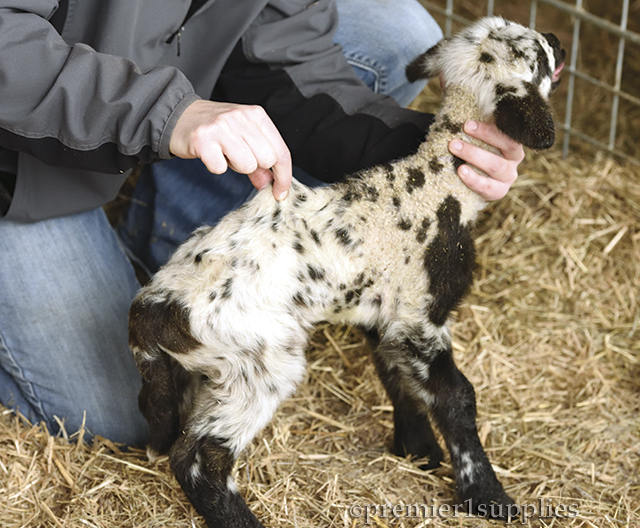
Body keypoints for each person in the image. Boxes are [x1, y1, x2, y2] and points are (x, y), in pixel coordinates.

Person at [0, 0, 524, 446]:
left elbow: (289, 59)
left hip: (129, 84)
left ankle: (165, 230)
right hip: (15, 165)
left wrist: (437, 155)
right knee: (121, 414)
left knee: (396, 36)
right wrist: (166, 114)